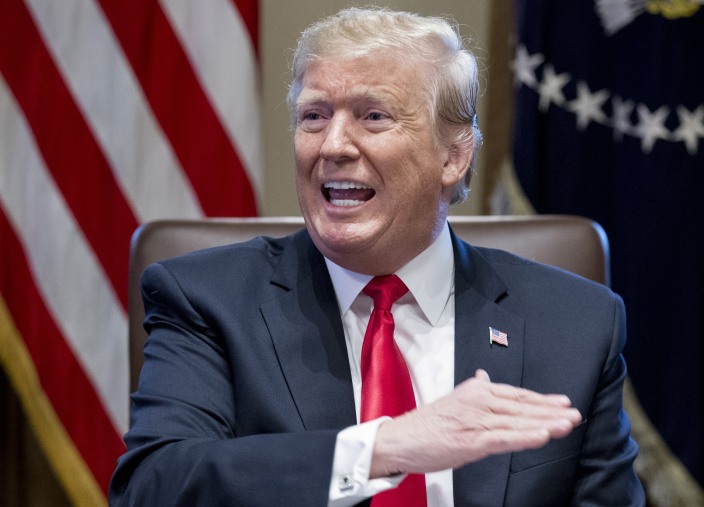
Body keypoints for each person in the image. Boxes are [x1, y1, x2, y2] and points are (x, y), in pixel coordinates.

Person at [109, 7, 644, 506]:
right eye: (314, 116)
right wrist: (384, 449)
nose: (333, 145)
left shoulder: (574, 324)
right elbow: (155, 483)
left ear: (453, 157)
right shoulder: (206, 300)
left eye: (373, 116)